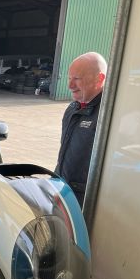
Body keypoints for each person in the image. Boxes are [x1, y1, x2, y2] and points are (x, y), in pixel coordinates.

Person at [55, 52, 107, 206]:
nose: (70, 85)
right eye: (69, 78)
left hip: (86, 202)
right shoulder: (73, 109)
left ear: (99, 79)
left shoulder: (107, 115)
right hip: (64, 192)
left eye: (77, 79)